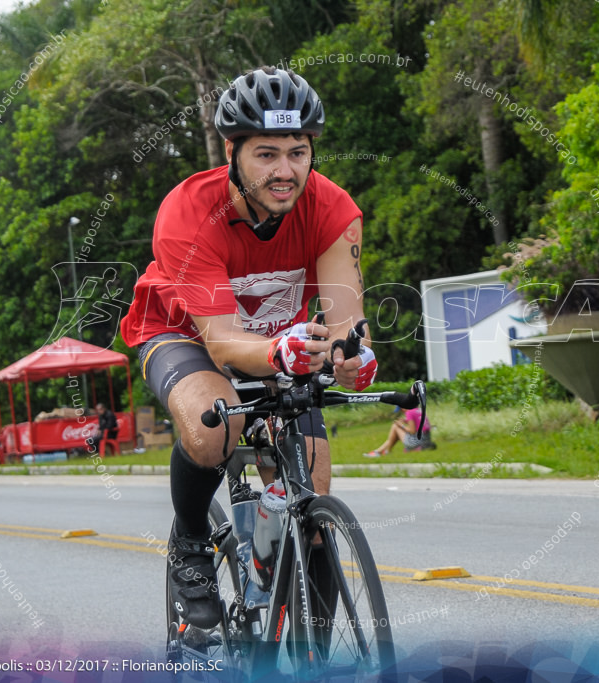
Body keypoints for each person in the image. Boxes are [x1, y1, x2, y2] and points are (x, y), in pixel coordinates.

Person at [119, 66, 377, 630]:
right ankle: (190, 543)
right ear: (231, 151)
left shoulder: (332, 209)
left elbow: (345, 320)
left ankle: (311, 652)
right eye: (266, 154)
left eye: (298, 151)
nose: (286, 171)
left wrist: (351, 354)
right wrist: (280, 352)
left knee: (313, 503)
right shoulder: (188, 213)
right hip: (184, 334)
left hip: (277, 344)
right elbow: (224, 342)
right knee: (215, 428)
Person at [363, 405, 434, 458]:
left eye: (401, 409)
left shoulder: (409, 413)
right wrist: (406, 421)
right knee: (396, 432)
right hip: (426, 440)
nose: (402, 411)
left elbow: (412, 431)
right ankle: (381, 451)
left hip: (416, 442)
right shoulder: (420, 410)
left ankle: (383, 452)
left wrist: (401, 425)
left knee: (395, 426)